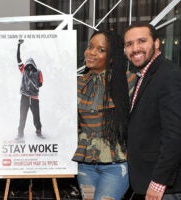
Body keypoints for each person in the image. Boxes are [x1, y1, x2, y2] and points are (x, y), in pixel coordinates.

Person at [72, 30, 136, 200]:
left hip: (116, 164)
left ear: (112, 57)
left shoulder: (129, 81)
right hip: (85, 164)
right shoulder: (78, 83)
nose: (91, 53)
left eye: (101, 50)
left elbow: (142, 121)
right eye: (90, 47)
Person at [124, 23, 181, 200]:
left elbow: (175, 135)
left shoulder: (169, 74)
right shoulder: (146, 76)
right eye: (129, 44)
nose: (135, 49)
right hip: (146, 181)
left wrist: (158, 183)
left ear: (156, 43)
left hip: (163, 187)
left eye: (142, 41)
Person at [15, 39, 44, 140]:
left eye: (31, 66)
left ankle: (39, 132)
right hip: (25, 97)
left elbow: (40, 84)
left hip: (34, 98)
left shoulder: (38, 72)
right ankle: (20, 134)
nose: (30, 68)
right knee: (22, 117)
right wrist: (18, 46)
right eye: (28, 66)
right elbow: (18, 58)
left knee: (36, 117)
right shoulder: (23, 70)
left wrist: (33, 84)